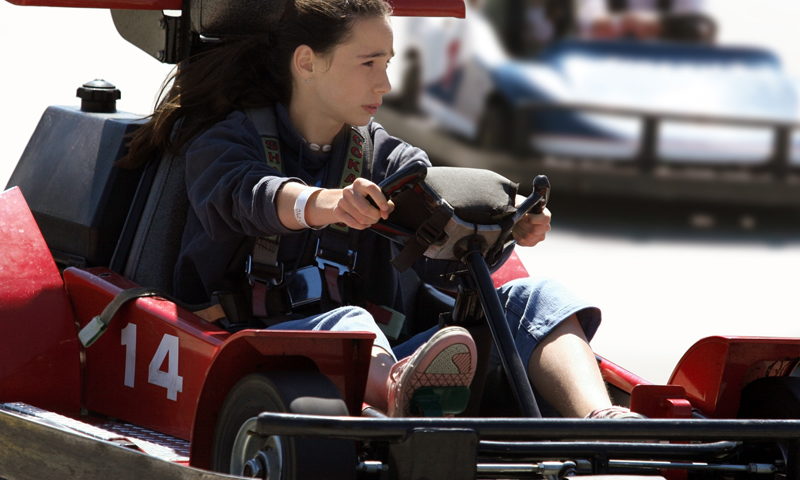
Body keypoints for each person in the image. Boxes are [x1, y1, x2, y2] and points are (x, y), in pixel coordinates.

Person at [122, 0, 640, 420]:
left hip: (383, 344)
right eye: (367, 63)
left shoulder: (387, 156)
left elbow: (434, 242)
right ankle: (401, 398)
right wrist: (327, 204)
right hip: (258, 343)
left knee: (536, 297)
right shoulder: (224, 142)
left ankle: (603, 421)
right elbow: (247, 197)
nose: (384, 84)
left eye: (387, 64)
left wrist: (505, 226)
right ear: (307, 62)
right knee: (351, 321)